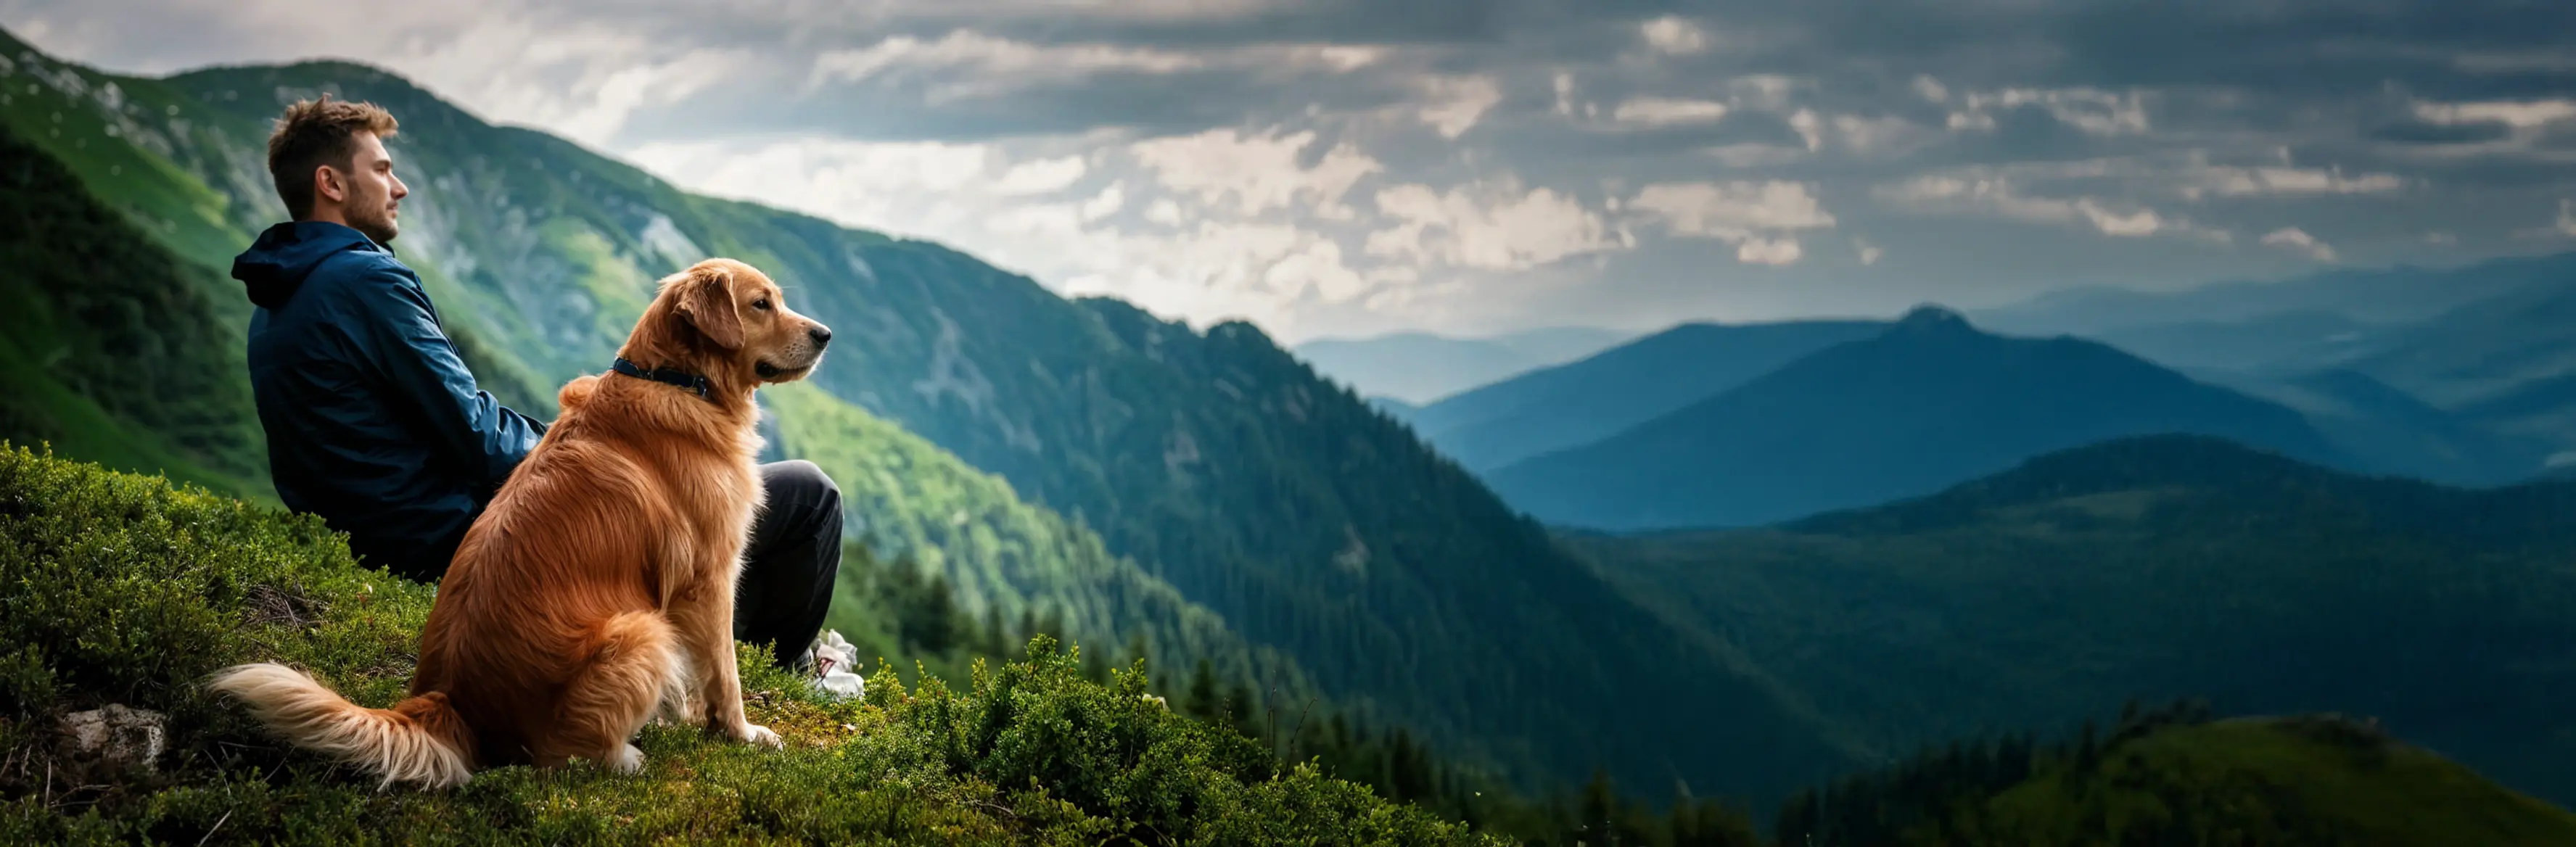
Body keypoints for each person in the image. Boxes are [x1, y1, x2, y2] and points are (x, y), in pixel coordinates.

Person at [229, 95, 840, 672]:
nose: (400, 186)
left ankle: (701, 664)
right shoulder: (364, 283)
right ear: (331, 184)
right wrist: (594, 447)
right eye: (382, 169)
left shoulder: (279, 299)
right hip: (452, 542)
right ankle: (763, 673)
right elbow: (474, 430)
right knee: (807, 495)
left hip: (372, 544)